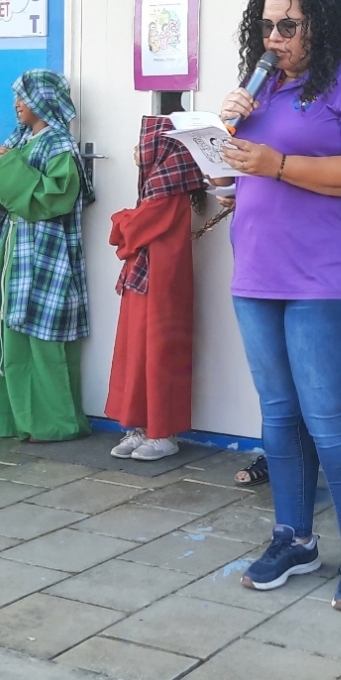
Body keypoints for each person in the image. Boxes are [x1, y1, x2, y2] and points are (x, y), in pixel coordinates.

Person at [217, 0, 341, 612]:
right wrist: (224, 145)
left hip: (326, 276)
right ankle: (293, 538)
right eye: (265, 26)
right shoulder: (257, 88)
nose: (275, 37)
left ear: (319, 22)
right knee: (280, 416)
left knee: (333, 418)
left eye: (288, 25)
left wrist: (279, 164)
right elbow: (239, 176)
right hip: (256, 272)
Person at [0, 70, 92, 442]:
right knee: (8, 332)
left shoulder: (59, 145)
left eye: (23, 97)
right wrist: (4, 163)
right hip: (14, 250)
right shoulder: (21, 138)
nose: (16, 104)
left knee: (42, 337)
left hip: (45, 253)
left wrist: (9, 166)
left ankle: (52, 423)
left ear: (43, 101)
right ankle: (8, 417)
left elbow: (54, 198)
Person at [106, 116, 207, 462]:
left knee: (160, 352)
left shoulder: (167, 188)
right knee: (136, 349)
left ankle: (163, 432)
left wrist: (119, 220)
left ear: (160, 149)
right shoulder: (157, 185)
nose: (137, 151)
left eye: (143, 144)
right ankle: (140, 425)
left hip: (163, 280)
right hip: (147, 276)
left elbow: (134, 228)